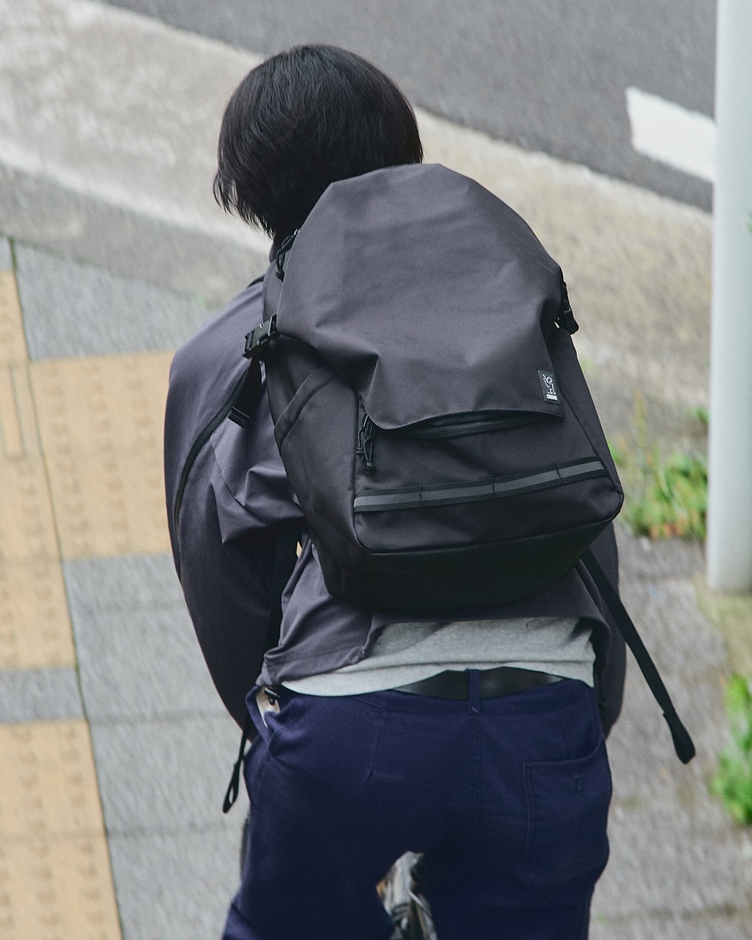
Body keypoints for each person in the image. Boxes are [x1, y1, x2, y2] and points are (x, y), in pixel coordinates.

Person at [164, 44, 626, 940]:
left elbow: (222, 585)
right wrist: (578, 721)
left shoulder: (229, 351)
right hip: (548, 703)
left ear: (248, 194)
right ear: (405, 156)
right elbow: (583, 511)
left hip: (346, 726)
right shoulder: (506, 304)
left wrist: (273, 723)